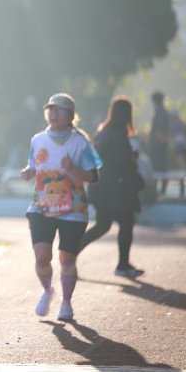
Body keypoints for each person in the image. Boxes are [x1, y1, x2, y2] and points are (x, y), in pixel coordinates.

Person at [20, 93, 101, 321]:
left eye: (59, 110)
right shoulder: (37, 139)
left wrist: (73, 169)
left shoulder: (80, 142)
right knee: (42, 256)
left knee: (66, 259)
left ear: (70, 116)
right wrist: (29, 172)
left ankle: (66, 302)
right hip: (42, 206)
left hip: (73, 209)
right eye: (50, 109)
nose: (53, 114)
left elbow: (94, 176)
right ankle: (48, 291)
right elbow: (34, 165)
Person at [78, 96, 144, 278]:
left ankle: (71, 252)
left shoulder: (103, 131)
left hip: (101, 187)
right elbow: (123, 161)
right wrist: (133, 159)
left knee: (102, 225)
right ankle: (123, 265)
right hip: (118, 190)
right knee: (126, 223)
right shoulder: (119, 133)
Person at [149, 90, 169, 194]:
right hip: (159, 143)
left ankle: (161, 187)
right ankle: (160, 187)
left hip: (158, 144)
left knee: (158, 165)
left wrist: (156, 142)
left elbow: (161, 129)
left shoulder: (160, 112)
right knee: (160, 165)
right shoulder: (161, 111)